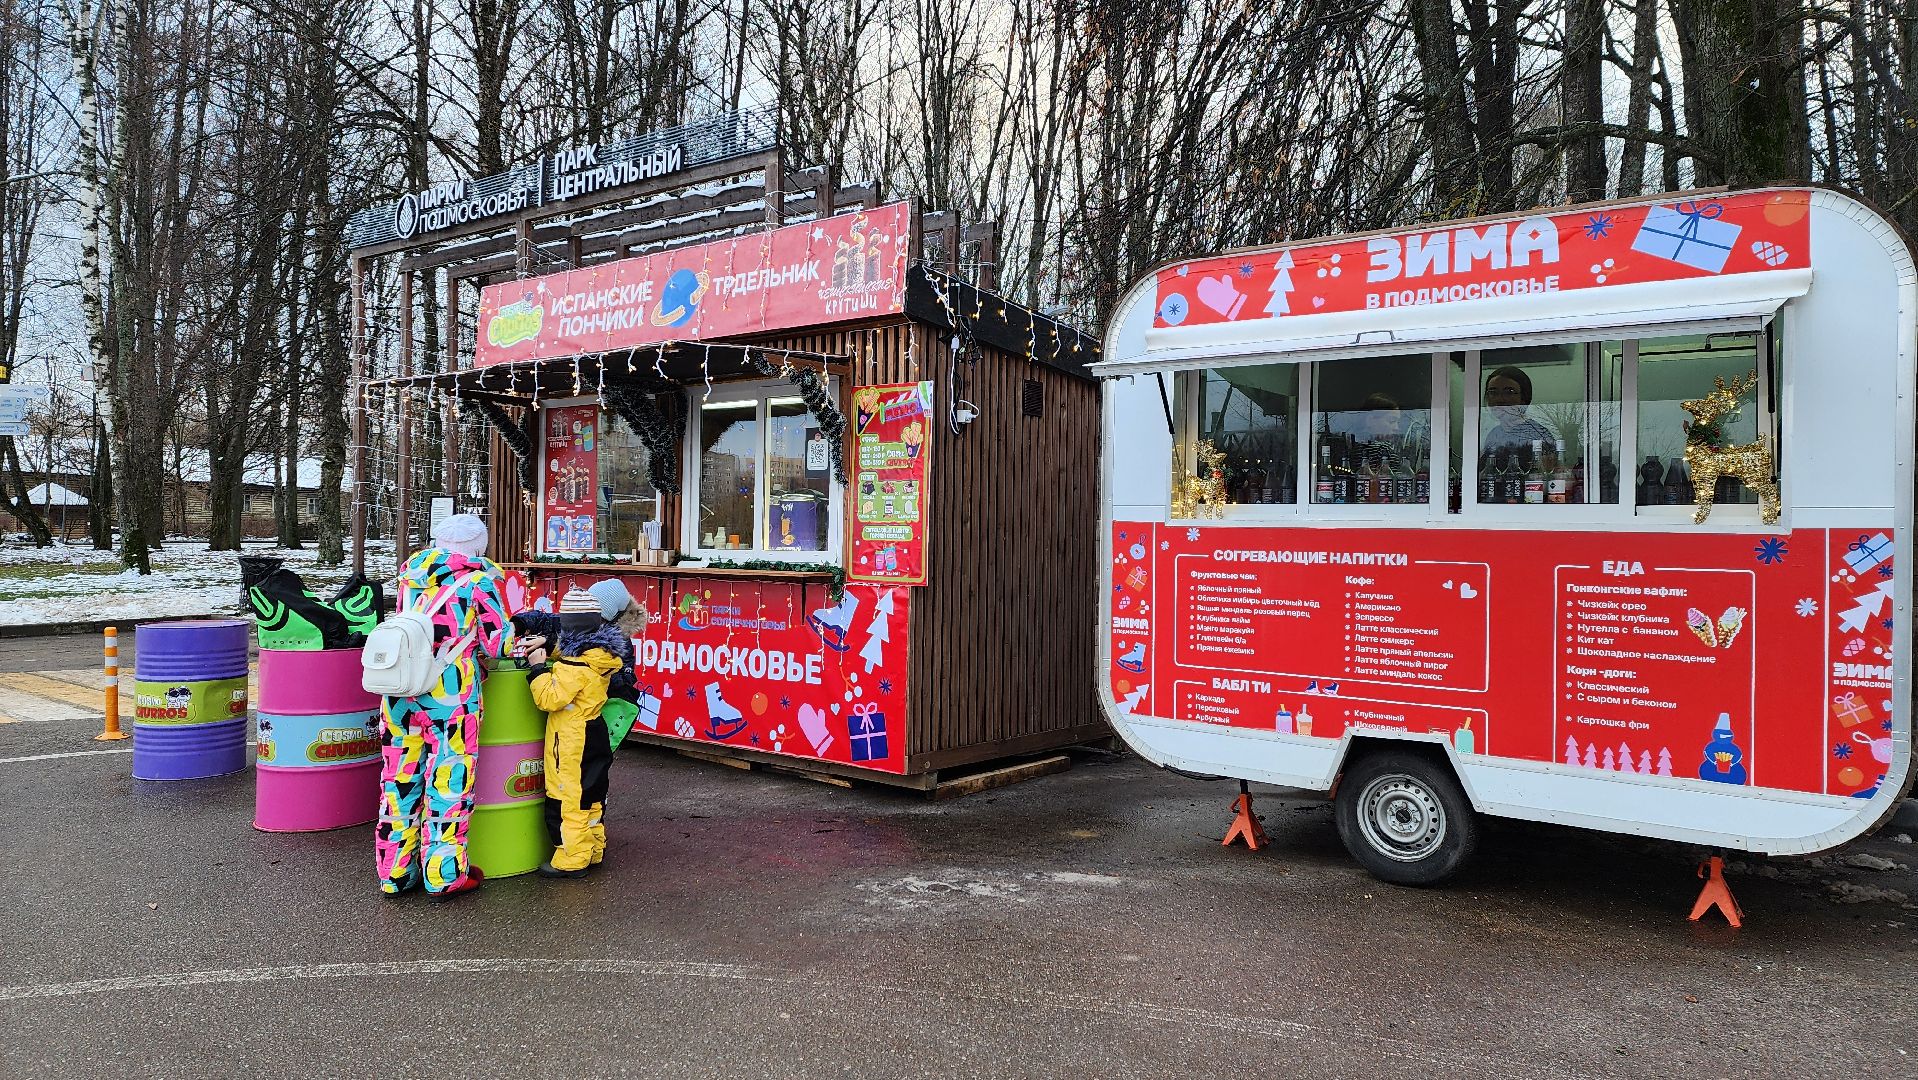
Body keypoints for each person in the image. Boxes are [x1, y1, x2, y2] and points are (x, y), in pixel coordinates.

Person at [376, 513, 514, 899]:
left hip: (400, 689)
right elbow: (498, 644)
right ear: (480, 546)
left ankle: (395, 873)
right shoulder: (479, 581)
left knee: (398, 780)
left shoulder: (412, 576)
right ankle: (443, 873)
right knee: (449, 782)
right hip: (449, 695)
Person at [516, 589, 625, 878]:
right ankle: (593, 847)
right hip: (595, 731)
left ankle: (571, 858)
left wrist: (538, 669)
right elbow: (576, 653)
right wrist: (550, 645)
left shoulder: (572, 666)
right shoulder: (599, 654)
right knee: (591, 795)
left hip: (571, 739)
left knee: (568, 798)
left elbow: (550, 698)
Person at [1481, 366, 1556, 456]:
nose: (1499, 399)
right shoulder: (1493, 434)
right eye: (1493, 392)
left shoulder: (1539, 434)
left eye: (1509, 392)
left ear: (1523, 399)